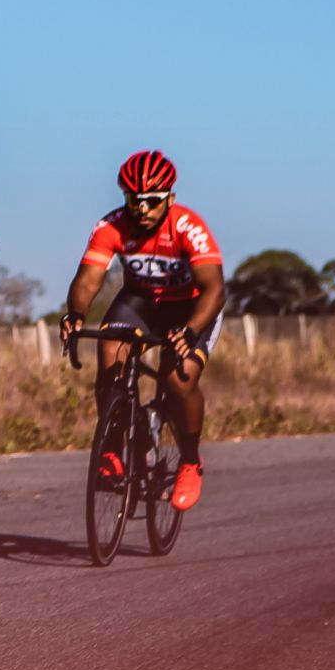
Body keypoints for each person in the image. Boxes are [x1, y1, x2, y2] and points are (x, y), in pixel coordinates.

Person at [59, 151, 224, 511]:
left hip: (191, 306)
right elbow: (89, 280)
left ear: (170, 199)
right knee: (109, 355)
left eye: (152, 201)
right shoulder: (112, 227)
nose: (144, 209)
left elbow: (215, 289)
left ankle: (191, 461)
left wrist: (192, 330)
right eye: (136, 200)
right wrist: (74, 315)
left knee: (178, 380)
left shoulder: (188, 227)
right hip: (141, 301)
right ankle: (115, 447)